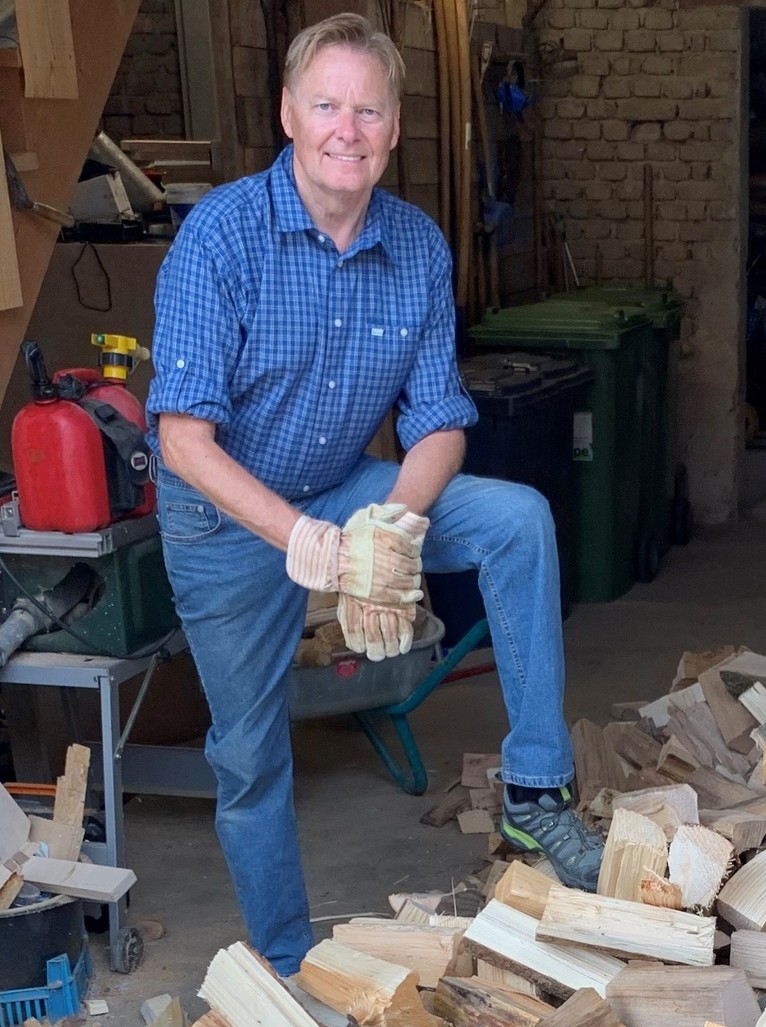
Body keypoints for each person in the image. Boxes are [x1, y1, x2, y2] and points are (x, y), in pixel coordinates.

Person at [145, 12, 602, 976]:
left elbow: (439, 419)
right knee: (251, 752)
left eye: (368, 109)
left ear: (394, 128)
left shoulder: (418, 247)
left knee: (518, 519)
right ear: (287, 116)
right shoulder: (219, 237)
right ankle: (286, 957)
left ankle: (534, 793)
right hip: (224, 514)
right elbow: (181, 436)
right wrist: (302, 538)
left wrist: (391, 524)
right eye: (325, 106)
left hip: (340, 485)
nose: (345, 129)